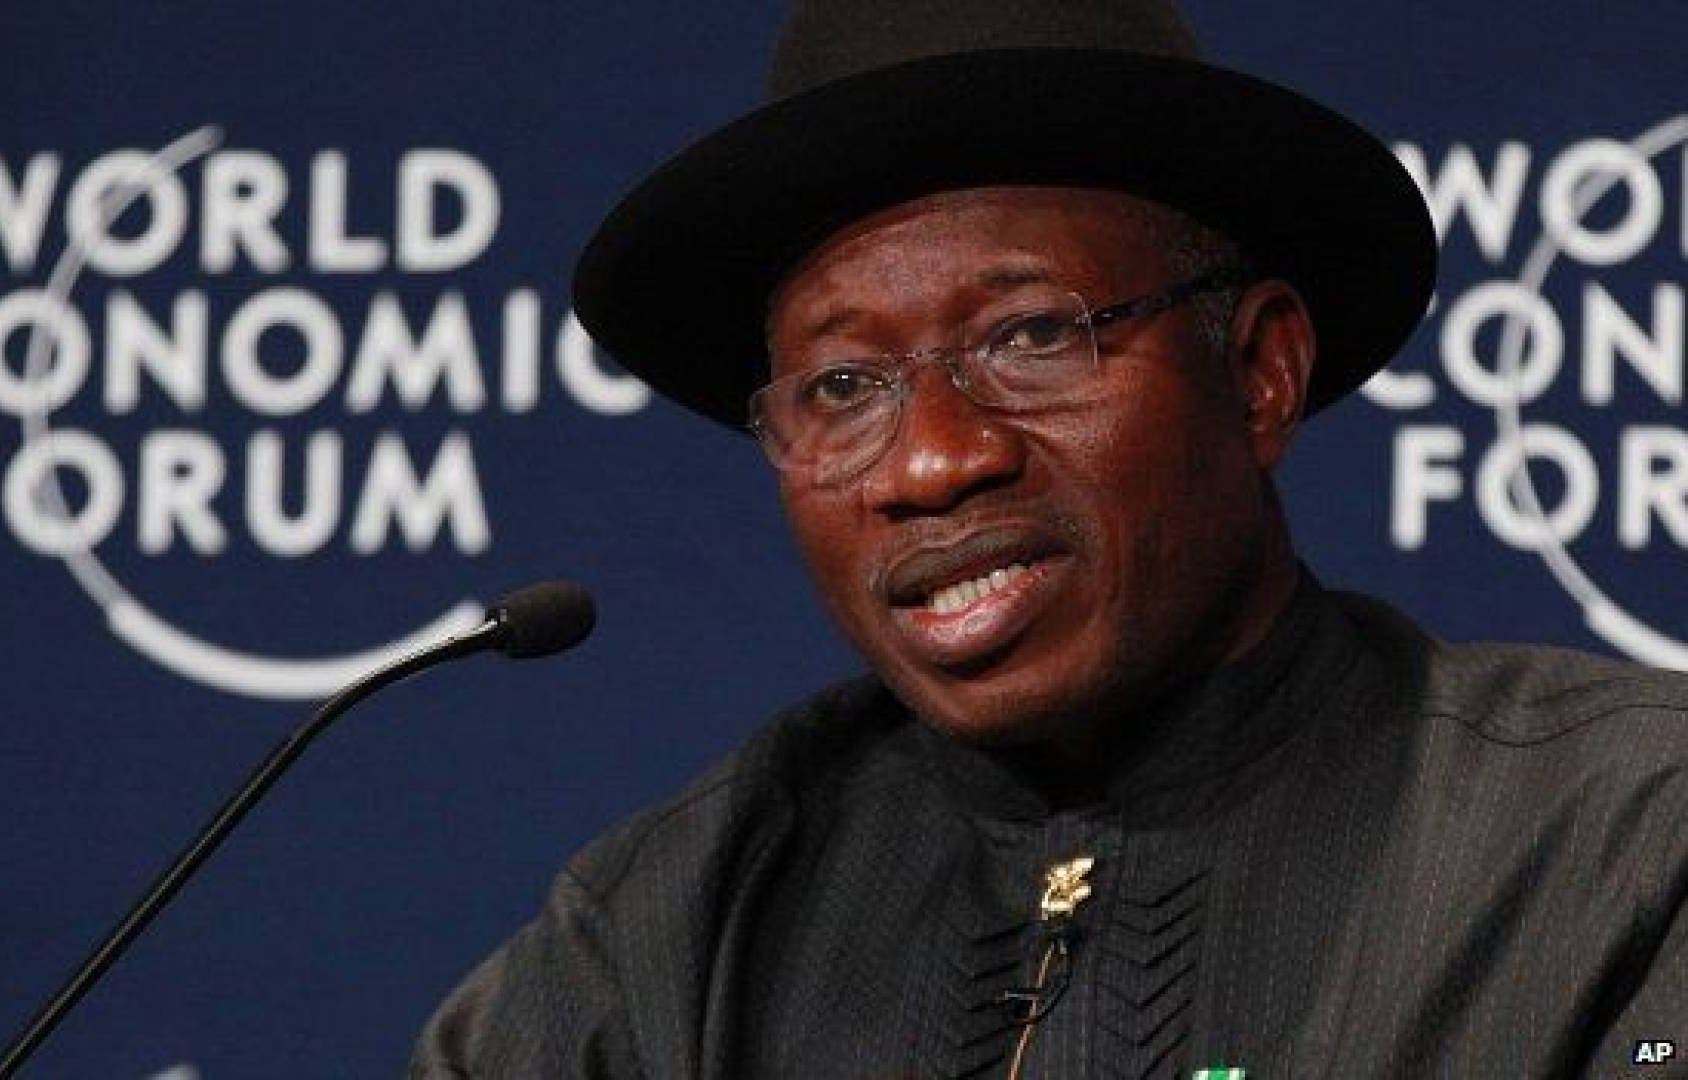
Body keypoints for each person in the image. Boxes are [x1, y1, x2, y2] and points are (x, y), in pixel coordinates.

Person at [412, 1, 1688, 1076]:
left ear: (1258, 371)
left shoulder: (1618, 840)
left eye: (1030, 338)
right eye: (843, 387)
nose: (933, 461)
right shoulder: (665, 938)